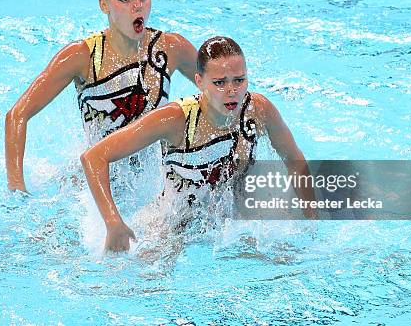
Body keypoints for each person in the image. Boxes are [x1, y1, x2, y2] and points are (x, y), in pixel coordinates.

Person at [81, 36, 317, 253]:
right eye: (219, 83)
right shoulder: (174, 119)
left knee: (289, 260)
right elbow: (94, 157)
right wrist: (113, 222)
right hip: (171, 224)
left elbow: (295, 161)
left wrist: (312, 219)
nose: (232, 91)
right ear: (199, 81)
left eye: (239, 80)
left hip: (229, 224)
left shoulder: (258, 110)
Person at [5, 0, 198, 193]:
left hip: (154, 178)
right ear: (104, 5)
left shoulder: (170, 48)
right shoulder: (82, 57)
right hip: (97, 180)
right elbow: (17, 115)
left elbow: (219, 90)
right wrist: (17, 189)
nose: (137, 6)